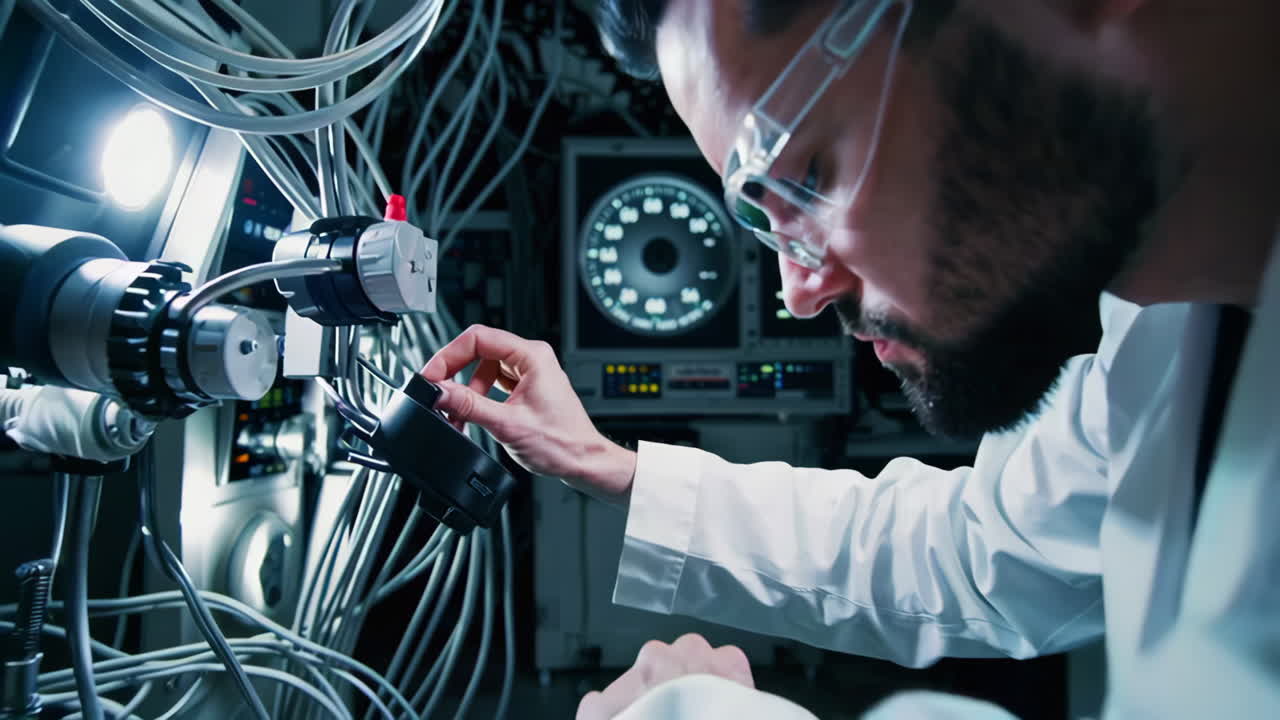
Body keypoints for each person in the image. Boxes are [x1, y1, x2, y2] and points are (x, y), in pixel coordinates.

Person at [423, 0, 1280, 717]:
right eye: (763, 216)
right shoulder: (1153, 335)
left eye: (805, 174)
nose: (800, 291)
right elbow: (976, 551)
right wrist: (604, 465)